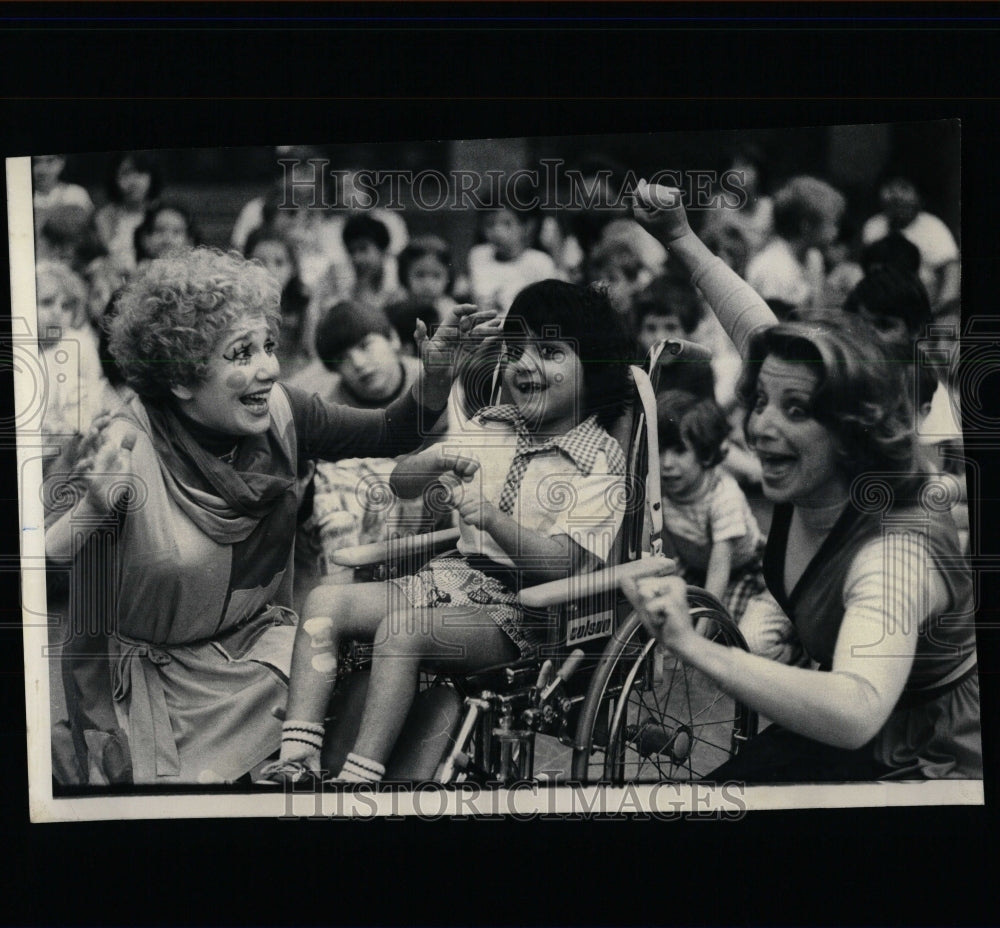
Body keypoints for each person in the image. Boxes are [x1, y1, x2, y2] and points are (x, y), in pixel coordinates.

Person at [46, 246, 498, 785]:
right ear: (181, 378)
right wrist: (92, 508)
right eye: (241, 354)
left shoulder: (284, 410)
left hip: (263, 658)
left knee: (400, 705)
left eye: (268, 345)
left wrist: (434, 377)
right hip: (164, 702)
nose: (269, 367)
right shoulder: (120, 447)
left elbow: (390, 433)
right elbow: (42, 577)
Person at [621, 179, 980, 782]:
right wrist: (680, 236)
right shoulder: (815, 471)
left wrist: (692, 644)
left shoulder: (898, 550)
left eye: (795, 411)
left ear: (852, 430)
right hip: (848, 735)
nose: (760, 426)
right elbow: (755, 326)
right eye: (760, 401)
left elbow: (856, 711)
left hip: (932, 759)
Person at [261, 279, 634, 783]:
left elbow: (565, 565)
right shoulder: (492, 427)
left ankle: (361, 773)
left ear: (596, 368)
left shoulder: (599, 461)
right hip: (446, 581)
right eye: (516, 351)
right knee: (326, 601)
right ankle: (298, 757)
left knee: (401, 631)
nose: (526, 364)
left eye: (548, 351)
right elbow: (400, 482)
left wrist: (493, 520)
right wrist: (432, 458)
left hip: (523, 612)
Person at [288, 300, 435, 596]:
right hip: (360, 508)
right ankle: (335, 601)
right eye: (343, 358)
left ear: (393, 339)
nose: (357, 363)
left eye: (366, 345)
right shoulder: (330, 403)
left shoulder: (431, 379)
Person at [656, 389, 765, 624]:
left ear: (705, 453)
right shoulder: (659, 490)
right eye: (659, 450)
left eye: (679, 451)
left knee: (726, 621)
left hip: (738, 571)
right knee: (664, 609)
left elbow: (719, 574)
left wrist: (700, 635)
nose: (666, 463)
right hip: (694, 566)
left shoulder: (723, 497)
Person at [745, 176, 844, 316]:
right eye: (832, 223)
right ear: (807, 226)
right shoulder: (773, 269)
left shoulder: (813, 257)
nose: (836, 231)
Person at [861, 177, 960, 311]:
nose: (896, 196)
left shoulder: (932, 228)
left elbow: (951, 275)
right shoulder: (873, 226)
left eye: (905, 189)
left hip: (923, 306)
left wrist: (939, 308)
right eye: (890, 188)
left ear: (919, 198)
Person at [244, 226, 313, 380]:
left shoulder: (303, 305)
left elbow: (310, 356)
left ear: (293, 268)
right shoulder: (240, 309)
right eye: (259, 262)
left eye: (279, 262)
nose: (269, 270)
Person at [468, 200, 557, 313]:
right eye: (490, 224)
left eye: (507, 223)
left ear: (526, 226)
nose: (498, 232)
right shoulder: (478, 255)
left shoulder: (541, 262)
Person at [95, 151, 164, 272]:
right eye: (125, 173)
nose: (133, 182)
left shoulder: (163, 214)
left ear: (152, 176)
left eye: (140, 173)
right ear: (114, 177)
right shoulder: (106, 216)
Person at [32, 153, 94, 236]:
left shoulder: (76, 194)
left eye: (50, 161)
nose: (42, 170)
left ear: (62, 162)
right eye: (35, 162)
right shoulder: (21, 198)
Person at [134, 199, 200, 263]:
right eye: (160, 230)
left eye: (176, 232)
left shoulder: (197, 272)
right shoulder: (137, 272)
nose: (167, 239)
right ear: (145, 239)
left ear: (190, 241)